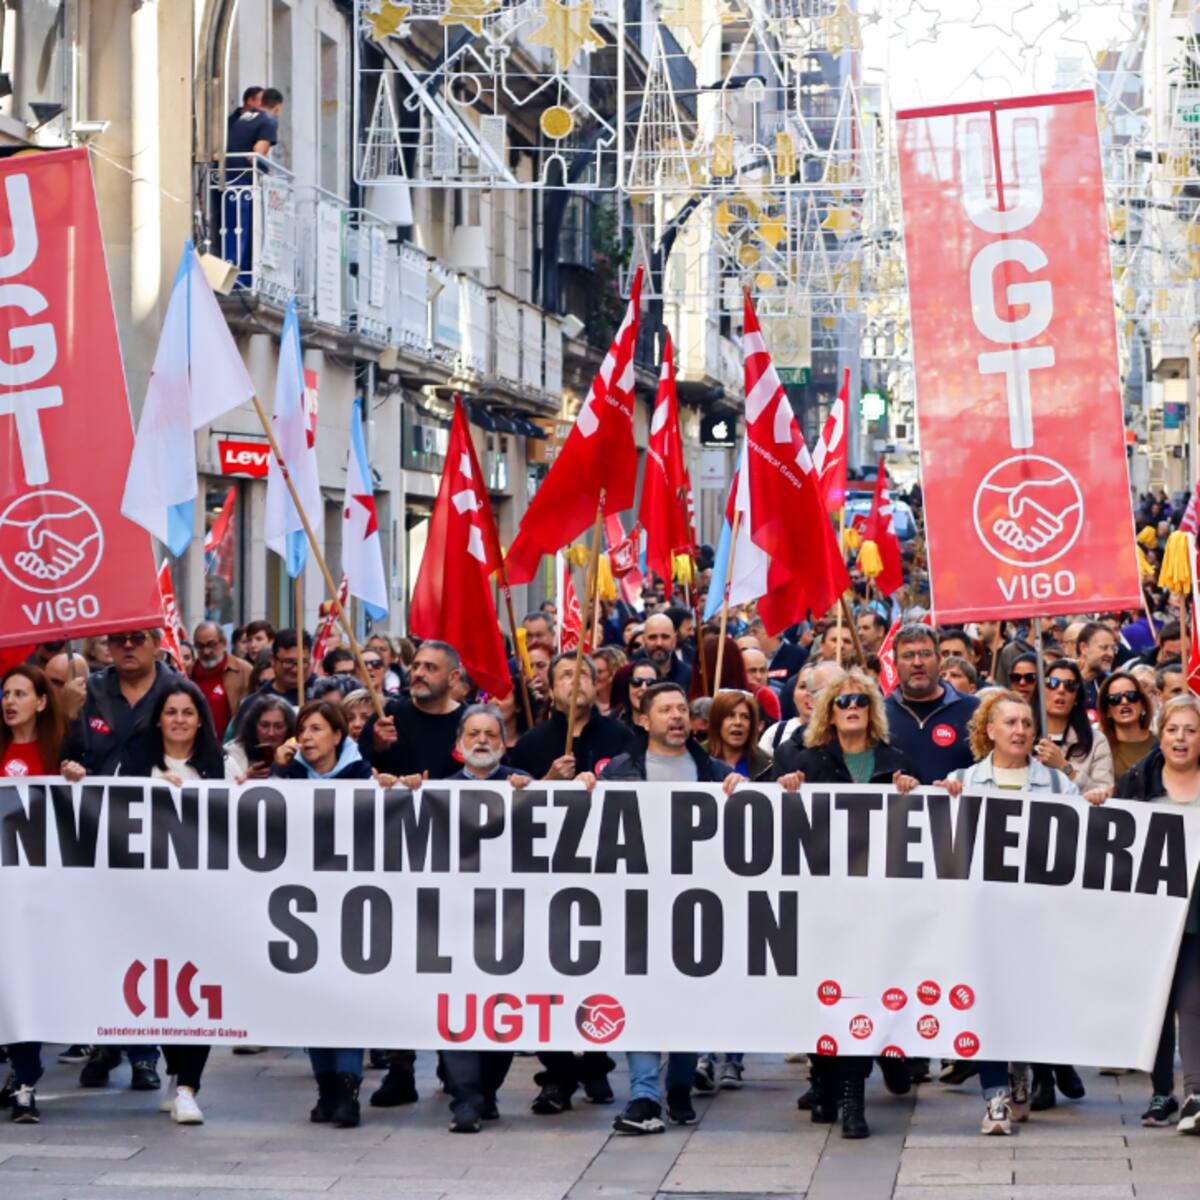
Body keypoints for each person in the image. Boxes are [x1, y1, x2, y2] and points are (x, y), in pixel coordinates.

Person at [772, 669, 920, 1136]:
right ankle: (829, 1079)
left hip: (879, 901)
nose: (852, 706)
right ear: (828, 713)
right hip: (824, 900)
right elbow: (765, 811)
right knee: (825, 992)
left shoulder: (895, 759)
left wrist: (919, 791)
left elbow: (930, 818)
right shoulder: (806, 761)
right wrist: (785, 789)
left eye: (860, 699)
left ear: (872, 709)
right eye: (842, 701)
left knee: (865, 990)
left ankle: (852, 1093)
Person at [600, 682, 746, 1134]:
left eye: (682, 708)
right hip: (638, 906)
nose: (677, 716)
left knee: (686, 999)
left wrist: (744, 793)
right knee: (641, 999)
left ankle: (679, 1085)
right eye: (665, 710)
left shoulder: (714, 772)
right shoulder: (619, 772)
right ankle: (645, 1094)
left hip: (697, 906)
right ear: (644, 720)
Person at [938, 691, 1078, 1136]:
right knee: (986, 1004)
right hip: (984, 918)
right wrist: (942, 800)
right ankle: (995, 1094)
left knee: (1028, 1002)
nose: (1020, 730)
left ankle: (1019, 1070)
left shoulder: (1058, 785)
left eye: (1026, 723)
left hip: (1040, 920)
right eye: (1011, 723)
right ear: (990, 730)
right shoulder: (964, 780)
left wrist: (1093, 799)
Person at [59, 628, 178, 1091]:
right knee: (102, 943)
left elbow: (204, 760)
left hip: (159, 841)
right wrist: (68, 752)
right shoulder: (88, 692)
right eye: (119, 639)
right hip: (95, 837)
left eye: (139, 639)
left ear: (156, 644)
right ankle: (107, 1039)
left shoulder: (176, 690)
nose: (128, 646)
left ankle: (146, 1052)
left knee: (148, 946)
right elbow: (66, 753)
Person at [1094, 694, 1200, 1135]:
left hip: (1198, 913)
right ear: (1161, 735)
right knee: (1156, 1006)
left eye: (1191, 731)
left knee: (1192, 1002)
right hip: (1152, 916)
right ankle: (1161, 1093)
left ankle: (1195, 1092)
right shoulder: (1137, 780)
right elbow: (1112, 833)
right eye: (1174, 730)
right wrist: (1100, 799)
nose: (1181, 739)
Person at [130, 679, 226, 1124]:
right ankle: (175, 1070)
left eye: (189, 712)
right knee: (162, 989)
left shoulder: (221, 766)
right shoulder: (134, 766)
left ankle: (189, 1084)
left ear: (200, 719)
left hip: (205, 900)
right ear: (158, 719)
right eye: (171, 712)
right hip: (149, 902)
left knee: (200, 990)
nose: (180, 720)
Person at [274, 699, 373, 1128]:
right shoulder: (288, 777)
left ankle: (348, 1091)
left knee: (348, 1000)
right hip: (302, 908)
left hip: (350, 904)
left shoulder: (363, 777)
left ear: (338, 735)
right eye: (303, 729)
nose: (308, 738)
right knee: (312, 999)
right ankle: (325, 1088)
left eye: (316, 729)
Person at [437, 705, 532, 1132]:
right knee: (456, 1007)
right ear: (459, 744)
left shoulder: (524, 786)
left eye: (490, 735)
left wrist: (537, 794)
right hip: (452, 922)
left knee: (500, 1012)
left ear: (503, 742)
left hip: (509, 922)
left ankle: (486, 1090)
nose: (481, 741)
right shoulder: (437, 791)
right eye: (473, 733)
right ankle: (466, 1099)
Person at [0, 664, 67, 1121]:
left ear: (41, 702)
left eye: (20, 693)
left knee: (22, 986)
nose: (9, 701)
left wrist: (77, 779)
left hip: (37, 894)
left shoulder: (60, 751)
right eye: (5, 693)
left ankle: (25, 1078)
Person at [509, 655, 636, 782]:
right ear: (552, 691)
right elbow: (517, 797)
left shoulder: (622, 736)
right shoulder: (530, 743)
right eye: (566, 675)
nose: (576, 681)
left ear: (595, 686)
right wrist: (549, 780)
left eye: (583, 674)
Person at [883, 625, 979, 785]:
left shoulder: (974, 710)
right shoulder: (879, 713)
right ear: (895, 663)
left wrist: (961, 784)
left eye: (925, 654)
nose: (917, 662)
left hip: (958, 809)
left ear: (939, 659)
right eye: (907, 656)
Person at [359, 640, 464, 783]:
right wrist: (377, 746)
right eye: (415, 666)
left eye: (431, 668)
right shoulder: (387, 717)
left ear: (453, 677)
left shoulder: (469, 722)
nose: (419, 673)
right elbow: (359, 769)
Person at [224, 87, 284, 279]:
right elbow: (258, 152)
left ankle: (233, 278)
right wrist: (267, 171)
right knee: (246, 234)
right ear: (278, 107)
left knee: (232, 231)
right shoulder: (269, 120)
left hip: (228, 179)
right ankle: (238, 280)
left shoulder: (246, 116)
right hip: (245, 182)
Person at [1034, 659, 1114, 793]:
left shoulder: (1096, 742)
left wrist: (1065, 767)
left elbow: (1104, 793)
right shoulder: (1023, 735)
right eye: (1053, 683)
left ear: (1077, 697)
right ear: (1041, 692)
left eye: (1070, 686)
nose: (1061, 690)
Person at [190, 621, 252, 739]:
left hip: (231, 748)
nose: (206, 651)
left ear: (224, 643)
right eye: (200, 646)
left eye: (211, 645)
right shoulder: (187, 674)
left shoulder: (244, 671)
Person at [1098, 671, 1157, 778]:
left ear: (1143, 704)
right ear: (1107, 711)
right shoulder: (1098, 747)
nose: (1124, 701)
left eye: (1132, 696)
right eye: (1115, 698)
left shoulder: (1161, 745)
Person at [225, 694, 295, 781]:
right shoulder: (232, 754)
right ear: (253, 726)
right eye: (264, 725)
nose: (271, 733)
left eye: (278, 726)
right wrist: (247, 777)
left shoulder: (298, 754)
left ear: (289, 728)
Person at [706, 689, 772, 780]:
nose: (738, 722)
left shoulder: (768, 765)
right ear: (717, 721)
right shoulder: (696, 757)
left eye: (745, 717)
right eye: (730, 715)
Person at [638, 612, 692, 690]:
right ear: (643, 640)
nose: (659, 643)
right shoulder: (629, 675)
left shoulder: (689, 676)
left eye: (665, 637)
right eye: (652, 637)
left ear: (674, 640)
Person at [1076, 620, 1117, 707]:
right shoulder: (1066, 684)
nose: (1111, 654)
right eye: (1104, 647)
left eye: (1113, 648)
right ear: (1084, 648)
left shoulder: (1113, 685)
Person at [591, 646, 626, 716]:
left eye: (599, 672)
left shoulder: (627, 707)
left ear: (614, 673)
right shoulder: (584, 704)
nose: (593, 676)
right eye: (591, 671)